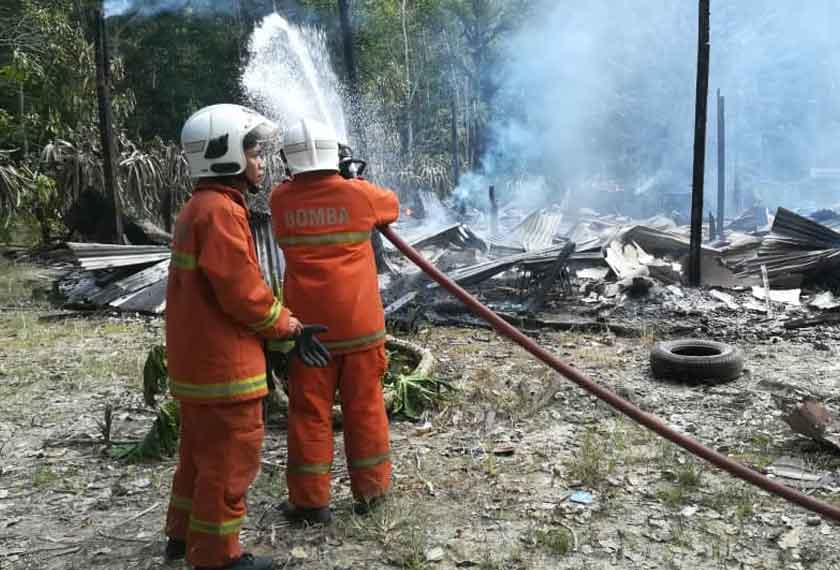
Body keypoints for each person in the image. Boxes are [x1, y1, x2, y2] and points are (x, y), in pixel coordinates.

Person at [164, 104, 321, 570]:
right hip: (224, 369)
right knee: (230, 462)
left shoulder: (199, 207)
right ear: (224, 154)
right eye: (253, 153)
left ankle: (182, 537)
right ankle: (216, 556)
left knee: (197, 456)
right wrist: (288, 326)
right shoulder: (219, 212)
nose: (261, 163)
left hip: (197, 366)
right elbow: (243, 294)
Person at [269, 118, 400, 524]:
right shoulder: (358, 196)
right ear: (335, 155)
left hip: (308, 333)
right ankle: (372, 494)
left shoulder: (280, 200)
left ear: (287, 160)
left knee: (309, 413)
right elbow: (391, 207)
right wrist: (352, 178)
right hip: (361, 329)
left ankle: (309, 503)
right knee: (366, 409)